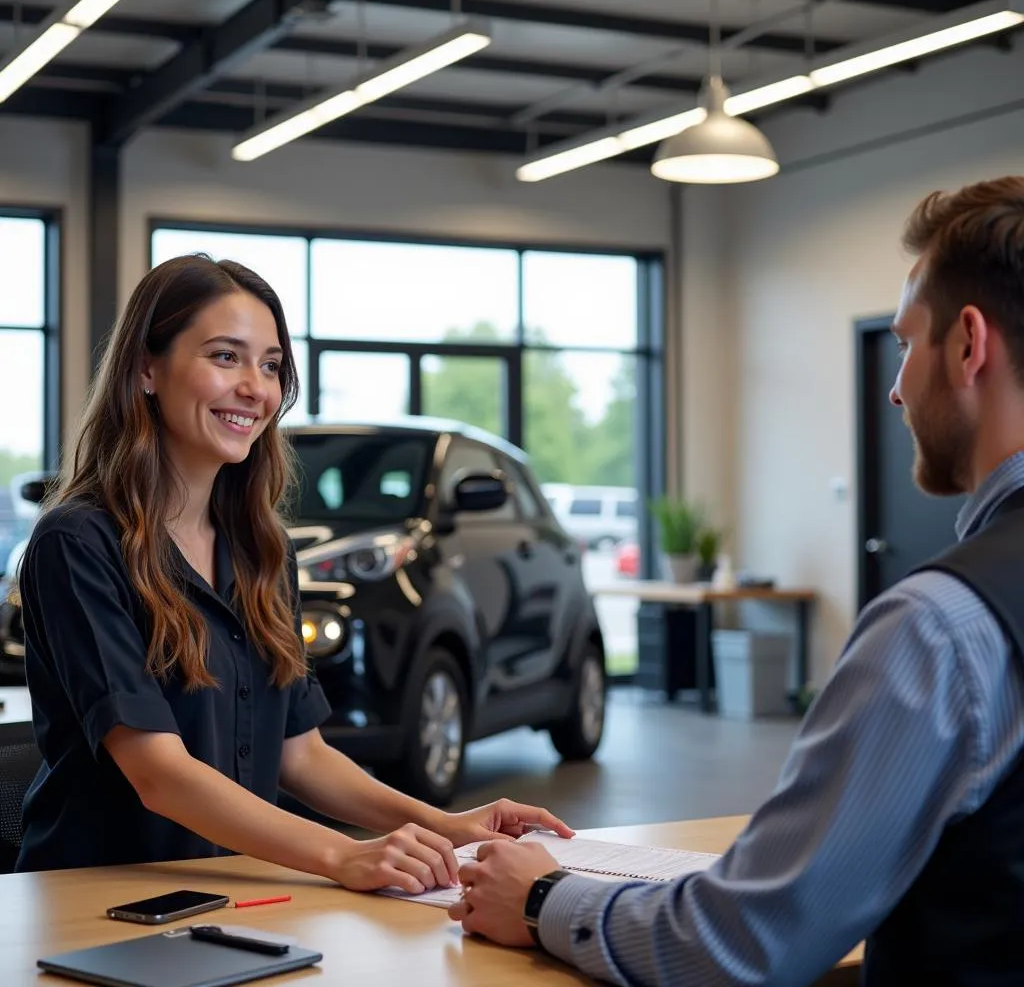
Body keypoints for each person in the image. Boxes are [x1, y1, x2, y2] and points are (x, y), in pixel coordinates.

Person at [450, 176, 1024, 986]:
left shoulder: (939, 629)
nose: (895, 387)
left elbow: (746, 940)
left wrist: (543, 896)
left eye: (905, 342)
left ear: (968, 344)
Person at [16, 254, 571, 887]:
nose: (257, 387)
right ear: (147, 368)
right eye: (226, 357)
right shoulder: (80, 542)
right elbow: (158, 773)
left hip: (225, 893)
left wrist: (447, 825)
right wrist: (343, 854)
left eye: (272, 365)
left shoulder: (261, 550)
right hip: (96, 903)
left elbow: (300, 754)